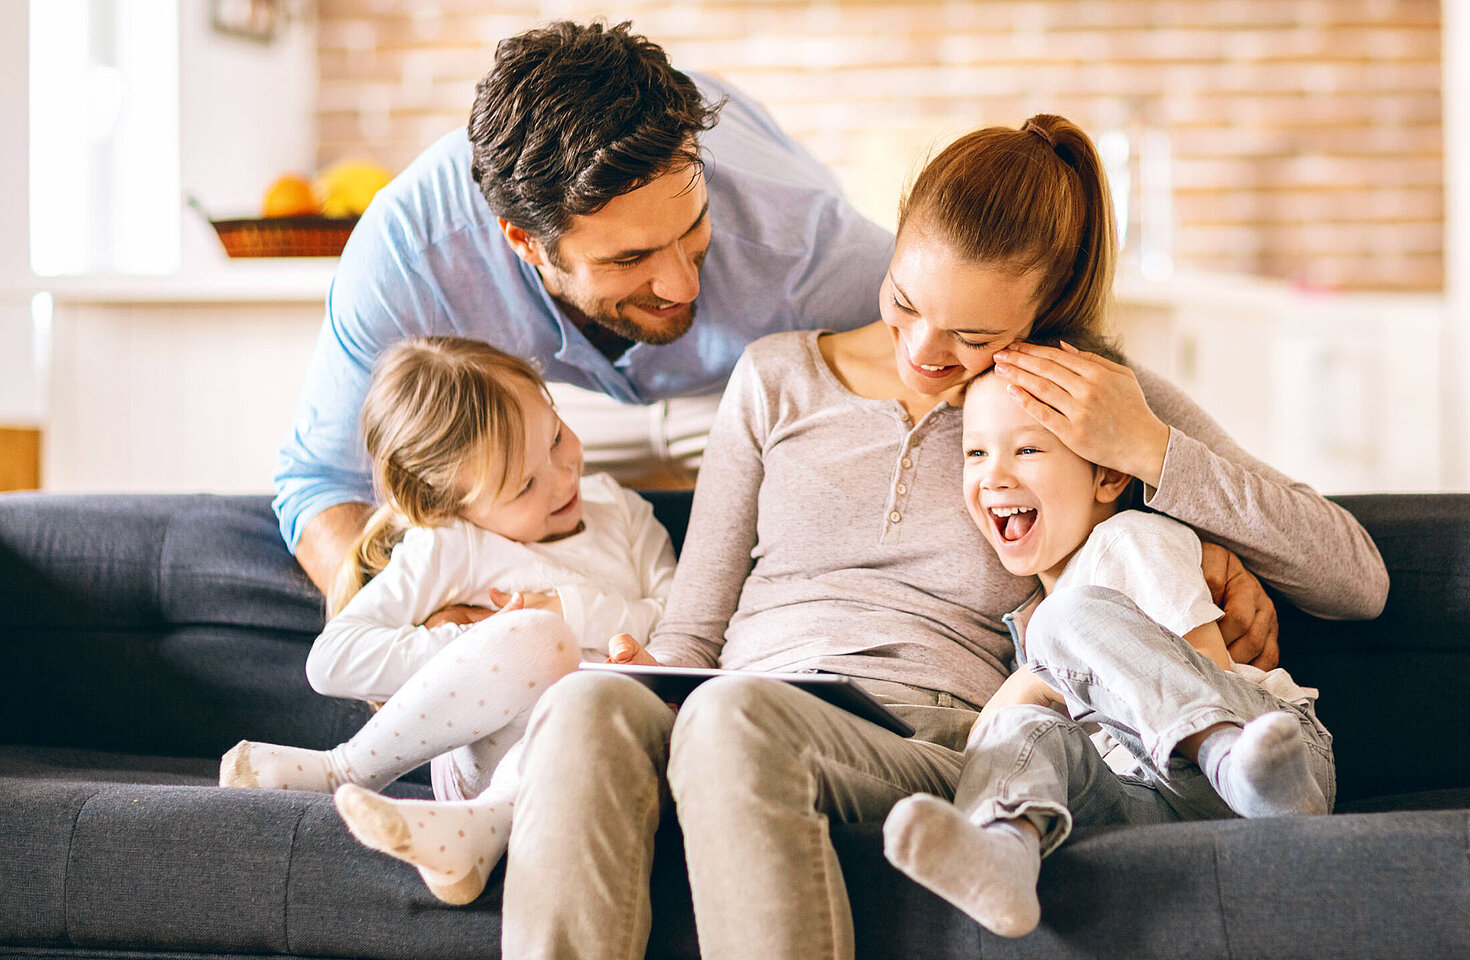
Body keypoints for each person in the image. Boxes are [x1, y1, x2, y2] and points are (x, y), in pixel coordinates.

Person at [499, 114, 1388, 960]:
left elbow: (1356, 578)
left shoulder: (1070, 408)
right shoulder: (774, 378)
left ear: (1042, 317)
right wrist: (643, 665)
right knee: (585, 703)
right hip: (732, 695)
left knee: (735, 715)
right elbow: (695, 630)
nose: (923, 348)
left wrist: (1152, 449)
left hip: (923, 738)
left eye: (971, 336)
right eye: (904, 300)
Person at [274, 20, 894, 591]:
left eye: (694, 226)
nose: (682, 287)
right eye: (629, 259)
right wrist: (423, 624)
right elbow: (321, 485)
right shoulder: (411, 251)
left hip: (745, 389)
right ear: (526, 242)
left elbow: (962, 341)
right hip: (552, 418)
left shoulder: (808, 247)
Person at [881, 359, 1337, 937]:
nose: (994, 475)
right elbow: (998, 733)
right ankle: (1005, 850)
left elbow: (1207, 669)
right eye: (976, 453)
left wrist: (1035, 677)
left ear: (1107, 477)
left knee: (1057, 633)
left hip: (1267, 751)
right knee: (1023, 731)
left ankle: (1235, 765)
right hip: (1148, 796)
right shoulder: (1026, 620)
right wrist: (1019, 707)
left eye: (1026, 451)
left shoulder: (1129, 543)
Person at [224, 337, 674, 906]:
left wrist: (568, 610)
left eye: (557, 436)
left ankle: (475, 839)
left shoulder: (624, 513)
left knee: (588, 689)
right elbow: (333, 659)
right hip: (487, 752)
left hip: (608, 747)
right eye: (524, 486)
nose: (563, 478)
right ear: (450, 504)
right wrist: (488, 640)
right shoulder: (450, 545)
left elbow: (683, 621)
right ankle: (348, 770)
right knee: (540, 640)